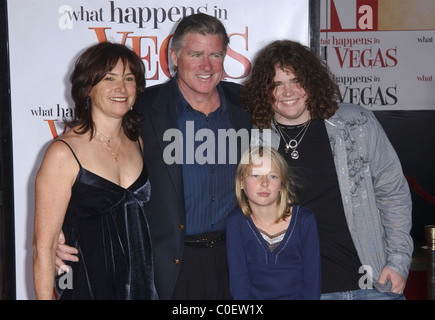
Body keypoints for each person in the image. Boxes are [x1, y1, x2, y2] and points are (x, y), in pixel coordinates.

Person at [56, 13, 251, 300]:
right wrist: (62, 232)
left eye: (215, 55)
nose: (206, 66)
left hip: (235, 260)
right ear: (174, 56)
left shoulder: (247, 105)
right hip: (166, 266)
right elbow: (90, 162)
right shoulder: (140, 108)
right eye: (195, 54)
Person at [242, 40, 413, 300]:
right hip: (301, 289)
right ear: (265, 90)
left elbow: (393, 194)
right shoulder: (254, 139)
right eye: (277, 84)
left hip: (373, 285)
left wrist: (398, 261)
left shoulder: (357, 123)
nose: (288, 92)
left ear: (312, 82)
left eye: (296, 81)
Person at [33, 42, 158, 300]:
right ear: (88, 87)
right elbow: (43, 249)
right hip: (86, 288)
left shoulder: (137, 142)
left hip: (140, 289)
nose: (121, 88)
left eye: (129, 78)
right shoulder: (63, 153)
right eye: (109, 78)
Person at [226, 146, 321, 299]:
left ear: (282, 183)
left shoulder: (304, 220)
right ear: (241, 182)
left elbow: (312, 284)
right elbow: (239, 285)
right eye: (256, 175)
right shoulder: (236, 222)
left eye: (273, 176)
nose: (264, 183)